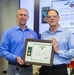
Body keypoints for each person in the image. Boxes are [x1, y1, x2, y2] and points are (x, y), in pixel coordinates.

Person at [0, 8, 38, 75]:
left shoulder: (33, 34)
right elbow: (2, 51)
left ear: (28, 17)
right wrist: (15, 57)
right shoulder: (8, 33)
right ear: (17, 16)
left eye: (25, 15)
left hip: (28, 69)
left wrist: (32, 59)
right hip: (13, 68)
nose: (23, 17)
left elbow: (36, 51)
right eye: (20, 15)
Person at [39, 9, 74, 75]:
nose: (52, 18)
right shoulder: (43, 34)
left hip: (59, 70)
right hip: (44, 70)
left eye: (54, 16)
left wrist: (58, 51)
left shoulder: (67, 33)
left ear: (58, 18)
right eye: (49, 17)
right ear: (46, 19)